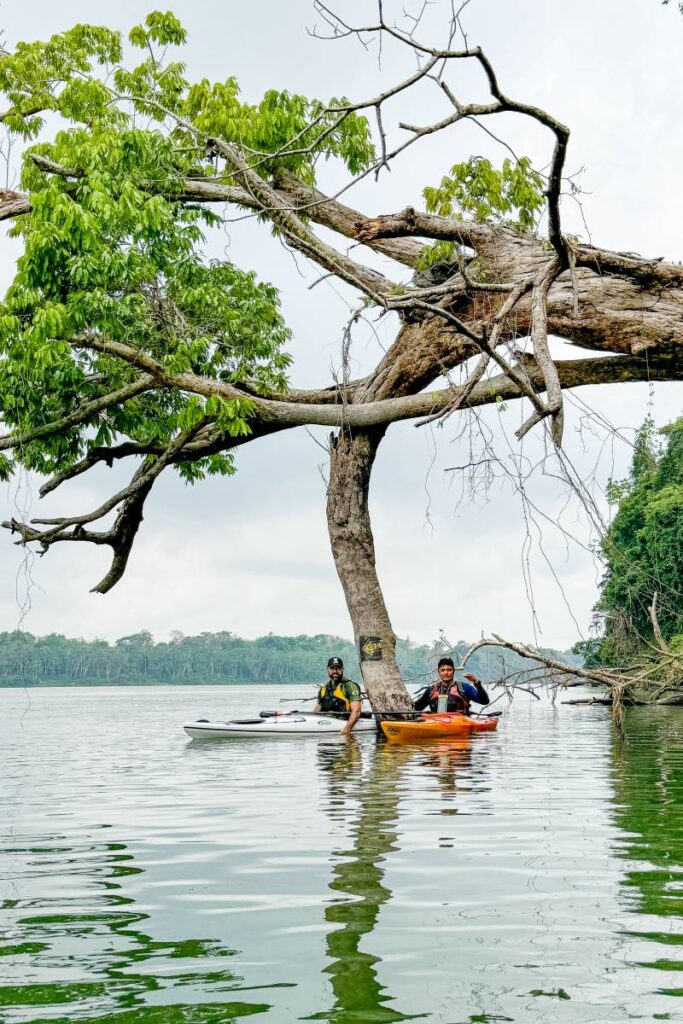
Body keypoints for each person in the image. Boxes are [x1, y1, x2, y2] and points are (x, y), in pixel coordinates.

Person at [414, 657, 490, 715]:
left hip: (460, 723)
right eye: (443, 670)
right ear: (438, 672)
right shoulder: (431, 690)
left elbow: (484, 701)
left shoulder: (464, 688)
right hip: (436, 722)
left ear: (453, 671)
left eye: (449, 670)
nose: (446, 673)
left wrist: (476, 682)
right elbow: (417, 707)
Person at [314, 657, 362, 736]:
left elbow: (357, 711)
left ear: (342, 669)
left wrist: (347, 728)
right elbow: (315, 713)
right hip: (326, 726)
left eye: (338, 668)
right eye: (332, 668)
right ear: (328, 670)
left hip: (344, 724)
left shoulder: (349, 686)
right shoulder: (323, 689)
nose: (335, 671)